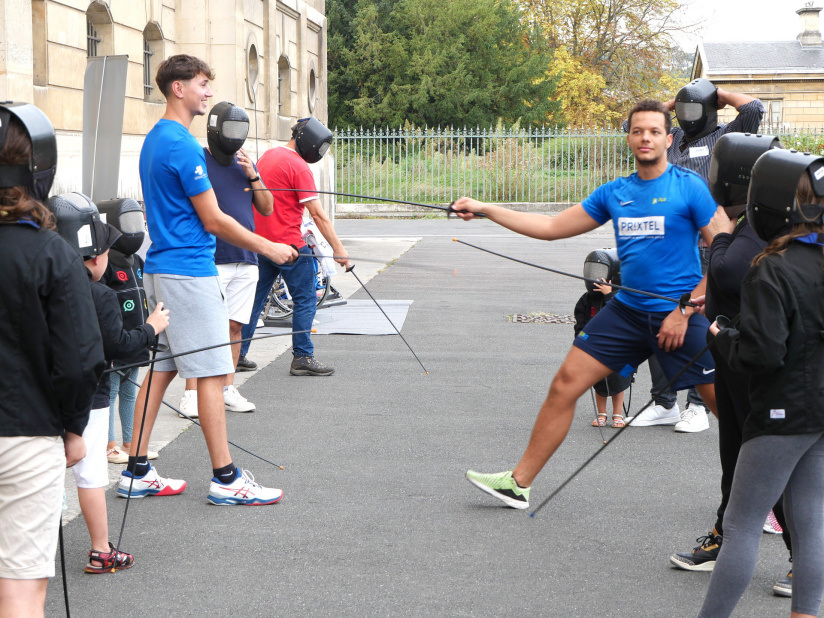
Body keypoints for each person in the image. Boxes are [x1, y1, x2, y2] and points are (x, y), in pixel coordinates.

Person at [456, 99, 718, 510]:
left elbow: (725, 249)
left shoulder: (690, 187)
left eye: (654, 131)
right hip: (628, 311)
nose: (645, 137)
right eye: (637, 131)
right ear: (629, 138)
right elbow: (550, 227)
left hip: (680, 314)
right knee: (564, 385)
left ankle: (777, 503)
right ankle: (517, 483)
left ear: (669, 139)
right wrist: (487, 209)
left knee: (730, 409)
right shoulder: (616, 193)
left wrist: (684, 311)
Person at [120, 54, 296, 506]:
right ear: (178, 88)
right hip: (189, 271)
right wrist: (269, 247)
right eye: (202, 83)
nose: (208, 92)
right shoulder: (178, 144)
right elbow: (214, 219)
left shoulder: (157, 139)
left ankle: (137, 469)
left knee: (162, 369)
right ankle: (226, 478)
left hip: (163, 267)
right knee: (217, 373)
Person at [697, 149, 824, 618]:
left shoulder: (774, 266)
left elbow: (761, 354)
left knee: (742, 523)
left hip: (782, 412)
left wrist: (723, 336)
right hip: (818, 412)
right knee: (810, 521)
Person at [670, 134, 793, 595]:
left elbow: (729, 269)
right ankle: (724, 537)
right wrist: (712, 298)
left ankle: (805, 557)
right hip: (736, 362)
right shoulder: (757, 220)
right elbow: (736, 282)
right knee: (736, 456)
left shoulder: (753, 226)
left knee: (768, 466)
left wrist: (720, 232)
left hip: (757, 366)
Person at [0, 103, 105, 616]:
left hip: (28, 427)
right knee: (20, 591)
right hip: (28, 435)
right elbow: (80, 361)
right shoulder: (51, 253)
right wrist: (73, 426)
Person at [625, 79, 764, 433]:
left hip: (712, 243)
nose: (687, 115)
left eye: (693, 108)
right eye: (681, 110)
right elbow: (630, 125)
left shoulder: (724, 136)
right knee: (661, 317)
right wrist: (671, 105)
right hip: (672, 245)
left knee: (699, 321)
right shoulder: (669, 142)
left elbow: (752, 108)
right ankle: (664, 402)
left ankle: (698, 405)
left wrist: (715, 96)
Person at [47, 192, 170, 573]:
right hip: (90, 399)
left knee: (44, 469)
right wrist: (152, 328)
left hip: (41, 397)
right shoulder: (100, 296)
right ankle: (101, 550)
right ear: (96, 257)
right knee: (90, 474)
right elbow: (120, 345)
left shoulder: (40, 287)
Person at [178, 101, 274, 418]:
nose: (235, 136)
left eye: (240, 130)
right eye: (229, 128)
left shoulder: (245, 164)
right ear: (215, 128)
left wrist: (254, 175)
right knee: (204, 328)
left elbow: (267, 208)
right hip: (210, 258)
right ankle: (191, 393)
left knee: (235, 327)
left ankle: (226, 387)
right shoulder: (199, 160)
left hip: (246, 259)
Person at [240, 117, 349, 376]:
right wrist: (339, 250)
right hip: (289, 247)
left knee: (253, 302)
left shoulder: (268, 156)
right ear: (310, 143)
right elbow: (319, 215)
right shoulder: (299, 167)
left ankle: (238, 354)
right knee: (305, 299)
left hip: (261, 244)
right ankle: (302, 356)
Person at [98, 198, 158, 463]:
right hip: (116, 344)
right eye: (127, 221)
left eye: (137, 221)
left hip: (137, 341)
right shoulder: (105, 264)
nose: (134, 229)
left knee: (129, 393)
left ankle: (131, 442)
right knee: (110, 393)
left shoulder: (136, 261)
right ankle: (109, 444)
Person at [573, 250, 631, 428]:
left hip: (621, 349)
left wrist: (609, 294)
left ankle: (617, 414)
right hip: (596, 349)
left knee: (619, 381)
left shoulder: (621, 297)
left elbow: (621, 314)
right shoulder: (586, 300)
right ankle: (601, 414)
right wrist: (582, 341)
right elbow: (580, 324)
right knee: (598, 382)